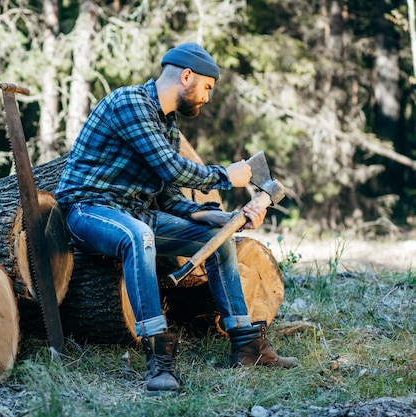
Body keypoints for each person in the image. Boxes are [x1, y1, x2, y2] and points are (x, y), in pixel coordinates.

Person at [55, 42, 299, 395]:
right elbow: (173, 167)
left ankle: (246, 345)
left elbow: (167, 193)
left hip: (139, 213)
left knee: (216, 243)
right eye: (207, 88)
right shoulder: (130, 103)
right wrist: (226, 177)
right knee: (139, 236)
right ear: (187, 76)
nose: (208, 98)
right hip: (89, 209)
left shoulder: (166, 125)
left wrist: (220, 218)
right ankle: (158, 358)